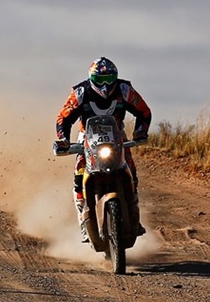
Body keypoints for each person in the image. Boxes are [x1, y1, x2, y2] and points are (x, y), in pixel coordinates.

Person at [55, 56, 151, 241]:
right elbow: (63, 119)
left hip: (117, 135)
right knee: (79, 175)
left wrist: (140, 132)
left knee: (130, 170)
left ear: (116, 77)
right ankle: (84, 222)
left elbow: (144, 112)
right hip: (87, 137)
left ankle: (134, 215)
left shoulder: (124, 90)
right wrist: (64, 140)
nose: (105, 85)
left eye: (109, 79)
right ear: (92, 79)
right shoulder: (81, 92)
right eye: (100, 80)